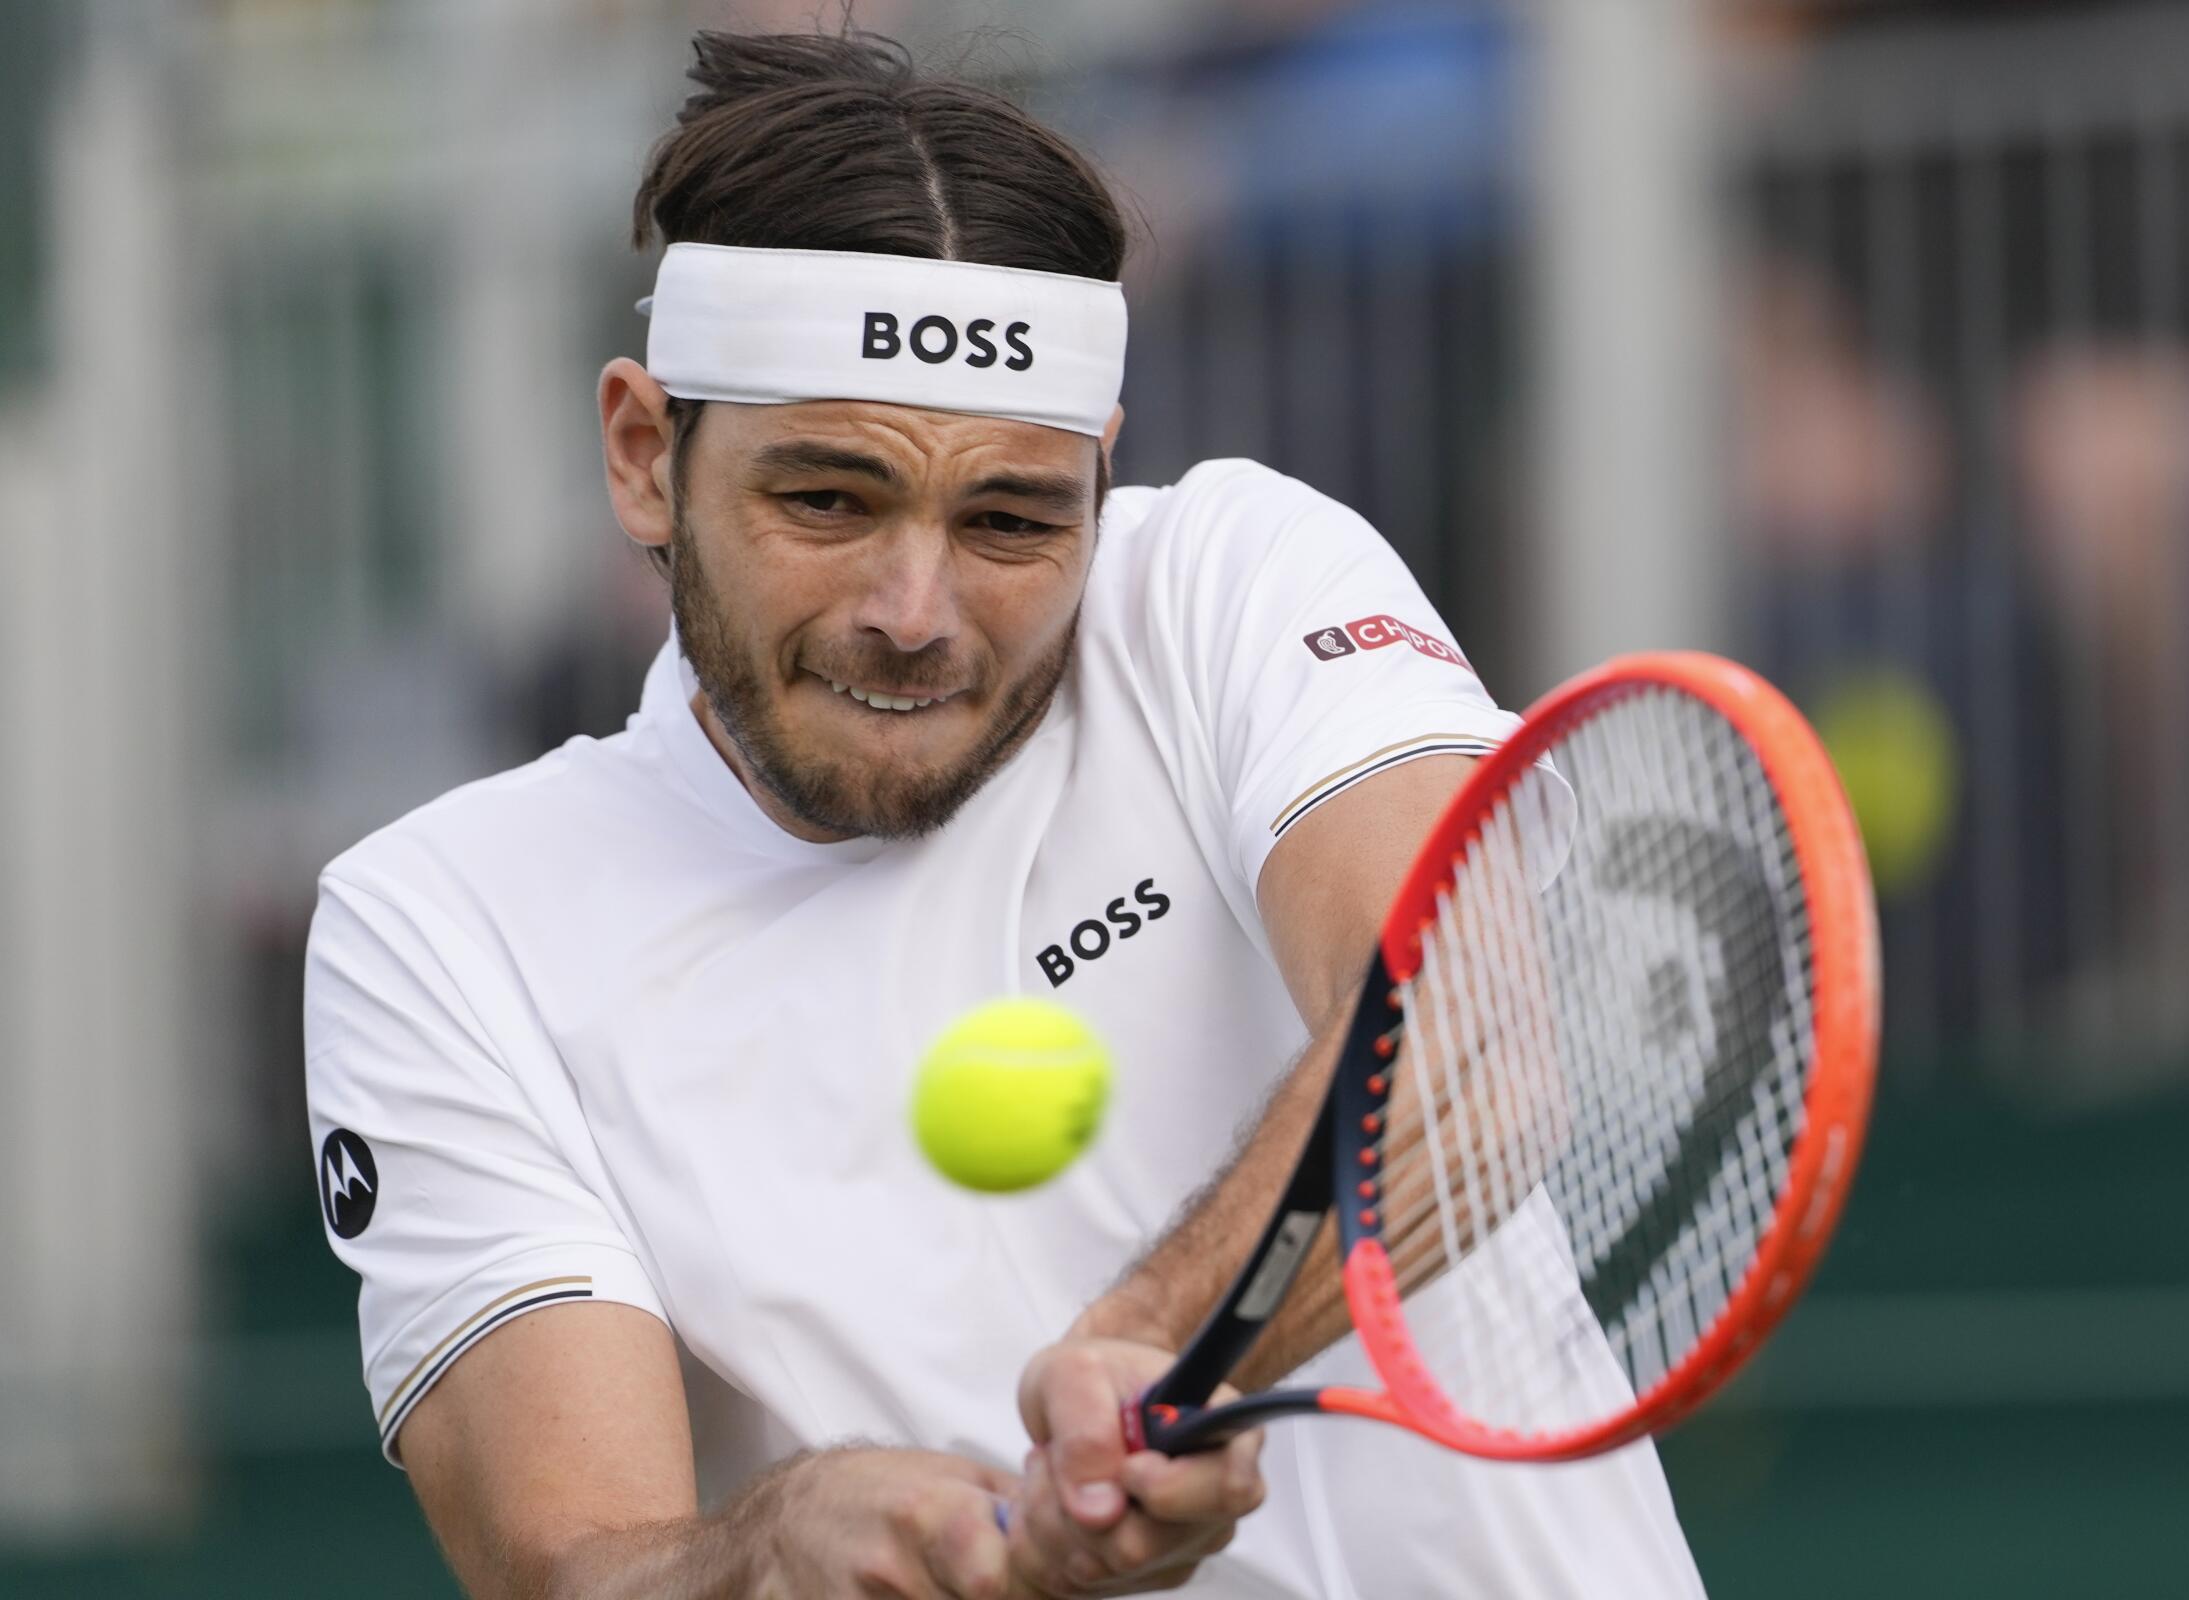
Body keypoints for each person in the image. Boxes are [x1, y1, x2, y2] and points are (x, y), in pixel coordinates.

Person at [303, 30, 1704, 1599]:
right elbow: (571, 1567)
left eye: (1012, 518)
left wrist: (1151, 1337)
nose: (918, 610)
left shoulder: (1233, 576)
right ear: (646, 456)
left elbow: (1470, 1028)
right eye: (826, 500)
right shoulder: (439, 921)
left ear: (1102, 477)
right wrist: (765, 1552)